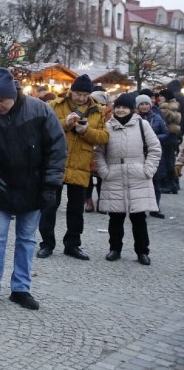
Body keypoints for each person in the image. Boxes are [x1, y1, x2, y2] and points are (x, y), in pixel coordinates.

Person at [0, 67, 66, 310]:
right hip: (1, 185)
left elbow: (56, 149)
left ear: (13, 94)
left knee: (26, 239)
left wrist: (50, 186)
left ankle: (21, 288)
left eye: (0, 100)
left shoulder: (40, 110)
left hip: (32, 185)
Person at [37, 74, 109, 261]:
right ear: (71, 91)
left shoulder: (97, 110)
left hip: (81, 163)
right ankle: (46, 244)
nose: (82, 98)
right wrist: (65, 124)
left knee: (76, 209)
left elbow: (103, 137)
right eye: (78, 93)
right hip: (56, 162)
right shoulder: (56, 105)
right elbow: (43, 130)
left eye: (85, 94)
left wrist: (87, 131)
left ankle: (73, 244)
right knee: (49, 206)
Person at [94, 93, 161, 265]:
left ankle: (142, 251)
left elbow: (155, 148)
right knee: (115, 218)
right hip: (114, 175)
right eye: (118, 107)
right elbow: (99, 152)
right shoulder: (107, 126)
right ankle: (114, 249)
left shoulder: (142, 125)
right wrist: (104, 172)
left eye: (124, 107)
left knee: (139, 219)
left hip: (137, 175)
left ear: (131, 109)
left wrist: (148, 170)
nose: (121, 110)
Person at [135, 94, 171, 219]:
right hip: (138, 154)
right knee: (141, 182)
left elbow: (166, 133)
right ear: (137, 106)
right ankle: (140, 208)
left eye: (146, 104)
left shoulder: (157, 117)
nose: (144, 106)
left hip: (154, 154)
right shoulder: (134, 119)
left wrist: (153, 139)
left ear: (150, 105)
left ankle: (155, 208)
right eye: (141, 104)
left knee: (156, 182)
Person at [86, 89, 113, 211]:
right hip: (88, 149)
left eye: (100, 103)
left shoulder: (111, 116)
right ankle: (89, 201)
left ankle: (101, 201)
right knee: (87, 179)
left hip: (103, 150)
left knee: (102, 178)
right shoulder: (87, 112)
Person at [156, 88, 181, 194]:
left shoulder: (165, 108)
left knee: (166, 161)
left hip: (166, 137)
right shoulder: (175, 107)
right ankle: (174, 184)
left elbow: (163, 122)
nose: (159, 98)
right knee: (170, 160)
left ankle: (169, 184)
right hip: (173, 137)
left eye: (161, 96)